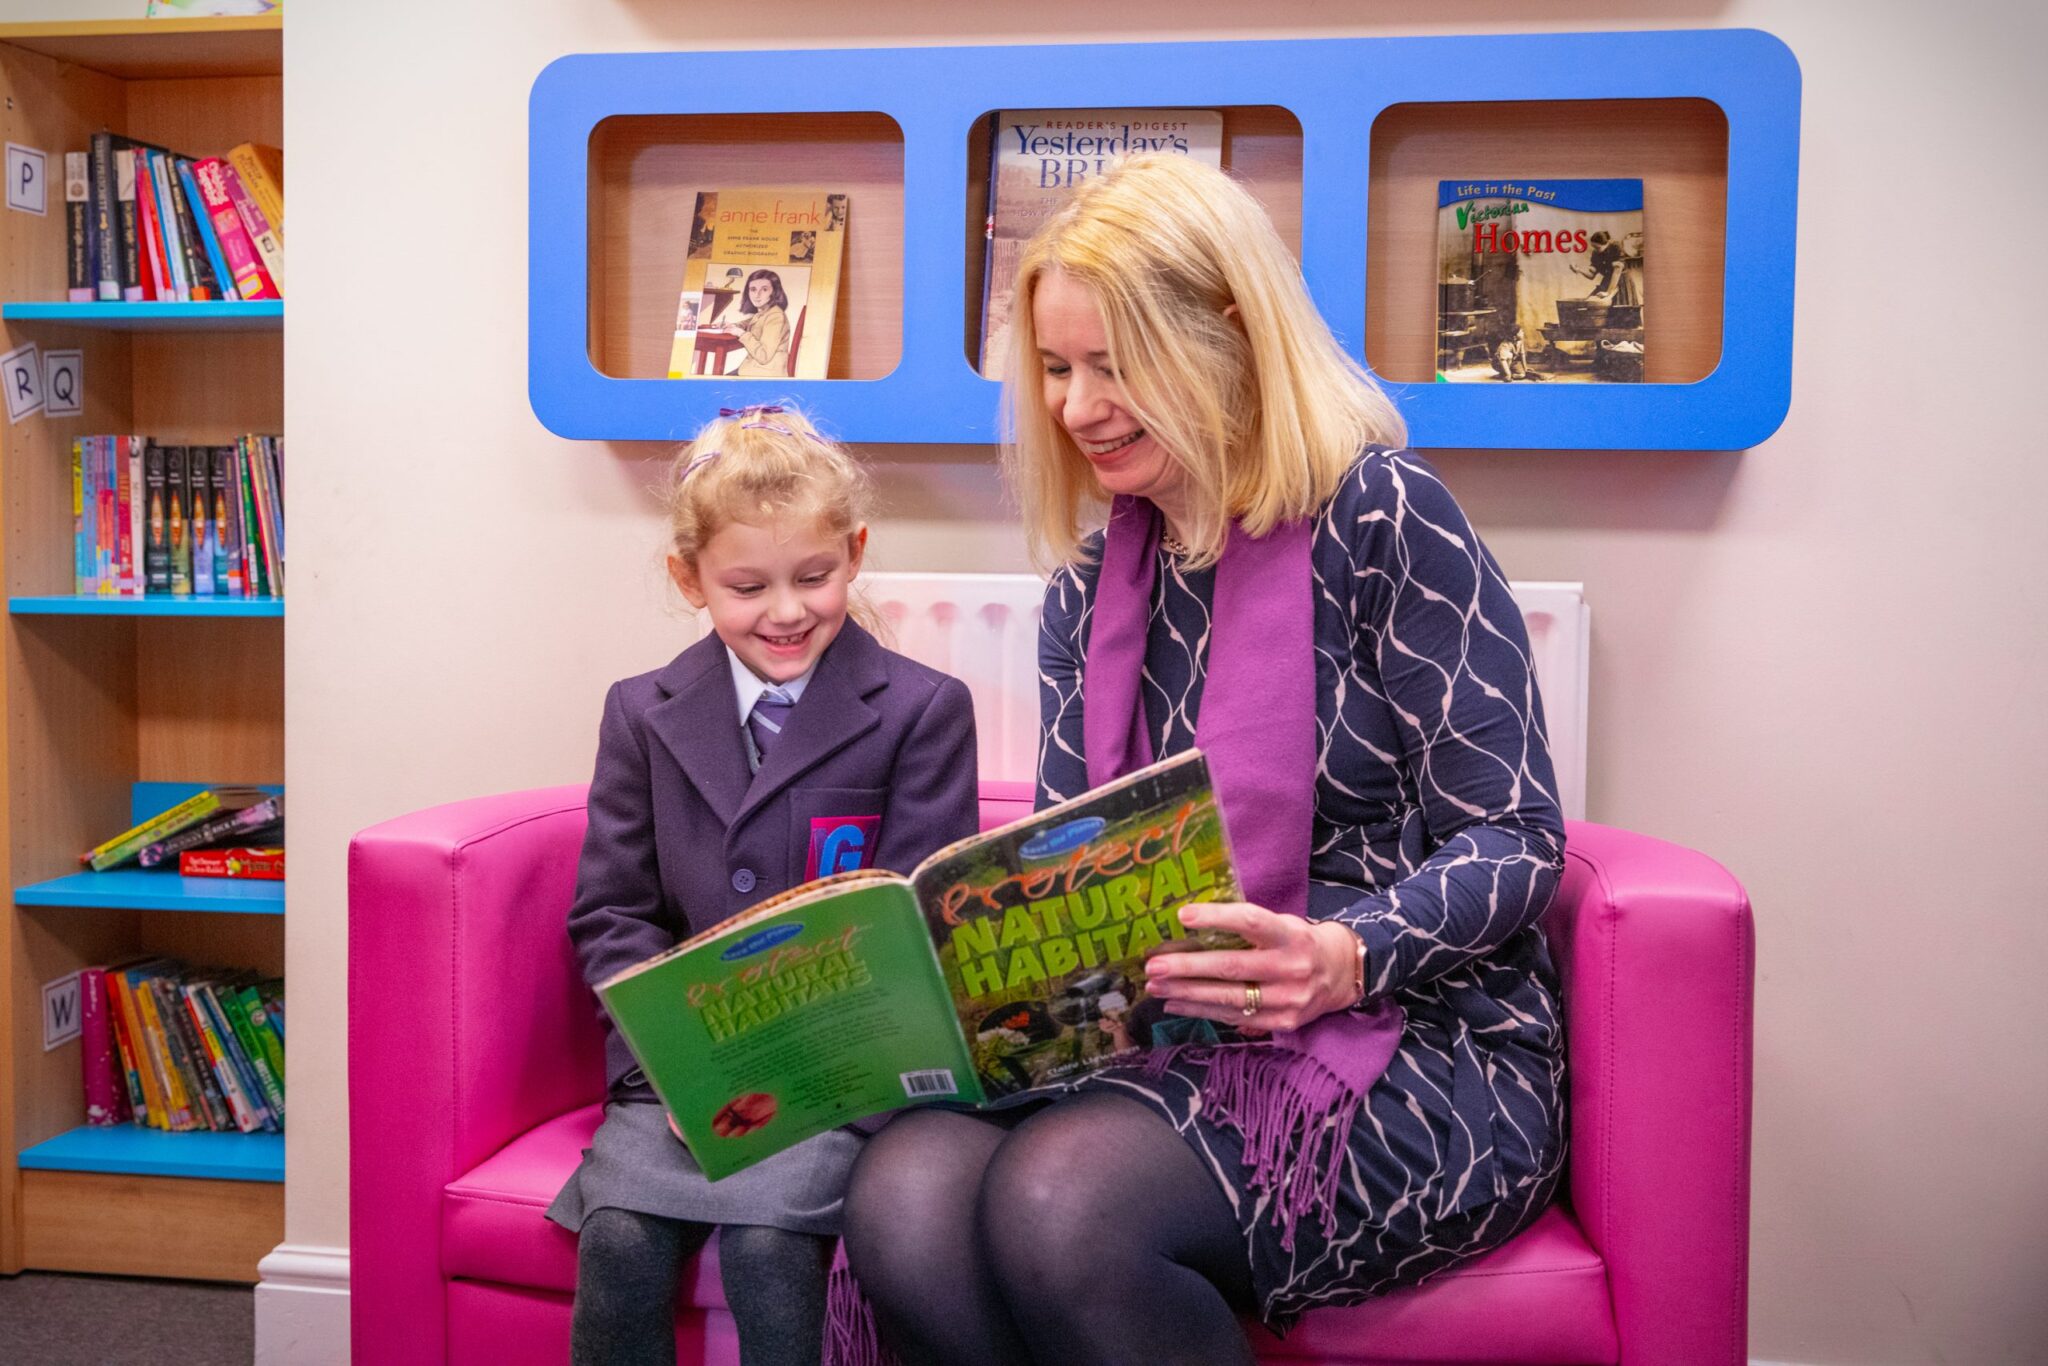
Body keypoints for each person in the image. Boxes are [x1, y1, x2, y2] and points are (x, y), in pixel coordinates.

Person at [840, 153, 1567, 1365]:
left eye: (1113, 363)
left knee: (1065, 1201)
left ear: (1226, 333)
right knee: (903, 1194)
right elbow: (1069, 879)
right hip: (1173, 1037)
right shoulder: (1086, 591)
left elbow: (1515, 837)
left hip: (1414, 1038)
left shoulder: (1382, 515)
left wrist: (1342, 955)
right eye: (1056, 368)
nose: (1076, 407)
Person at [548, 405, 981, 1366]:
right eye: (747, 587)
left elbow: (919, 928)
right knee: (619, 1241)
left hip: (837, 1075)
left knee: (768, 1246)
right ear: (689, 579)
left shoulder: (924, 710)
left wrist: (809, 1075)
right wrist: (678, 1069)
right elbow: (614, 912)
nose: (786, 611)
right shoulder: (641, 712)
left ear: (854, 554)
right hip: (680, 1072)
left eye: (813, 577)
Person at [730, 268, 793, 376]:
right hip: (756, 369)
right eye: (753, 289)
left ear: (775, 292)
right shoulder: (765, 312)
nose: (757, 295)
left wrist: (741, 333)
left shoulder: (776, 316)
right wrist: (735, 325)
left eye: (764, 289)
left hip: (766, 374)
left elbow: (763, 356)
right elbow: (752, 321)